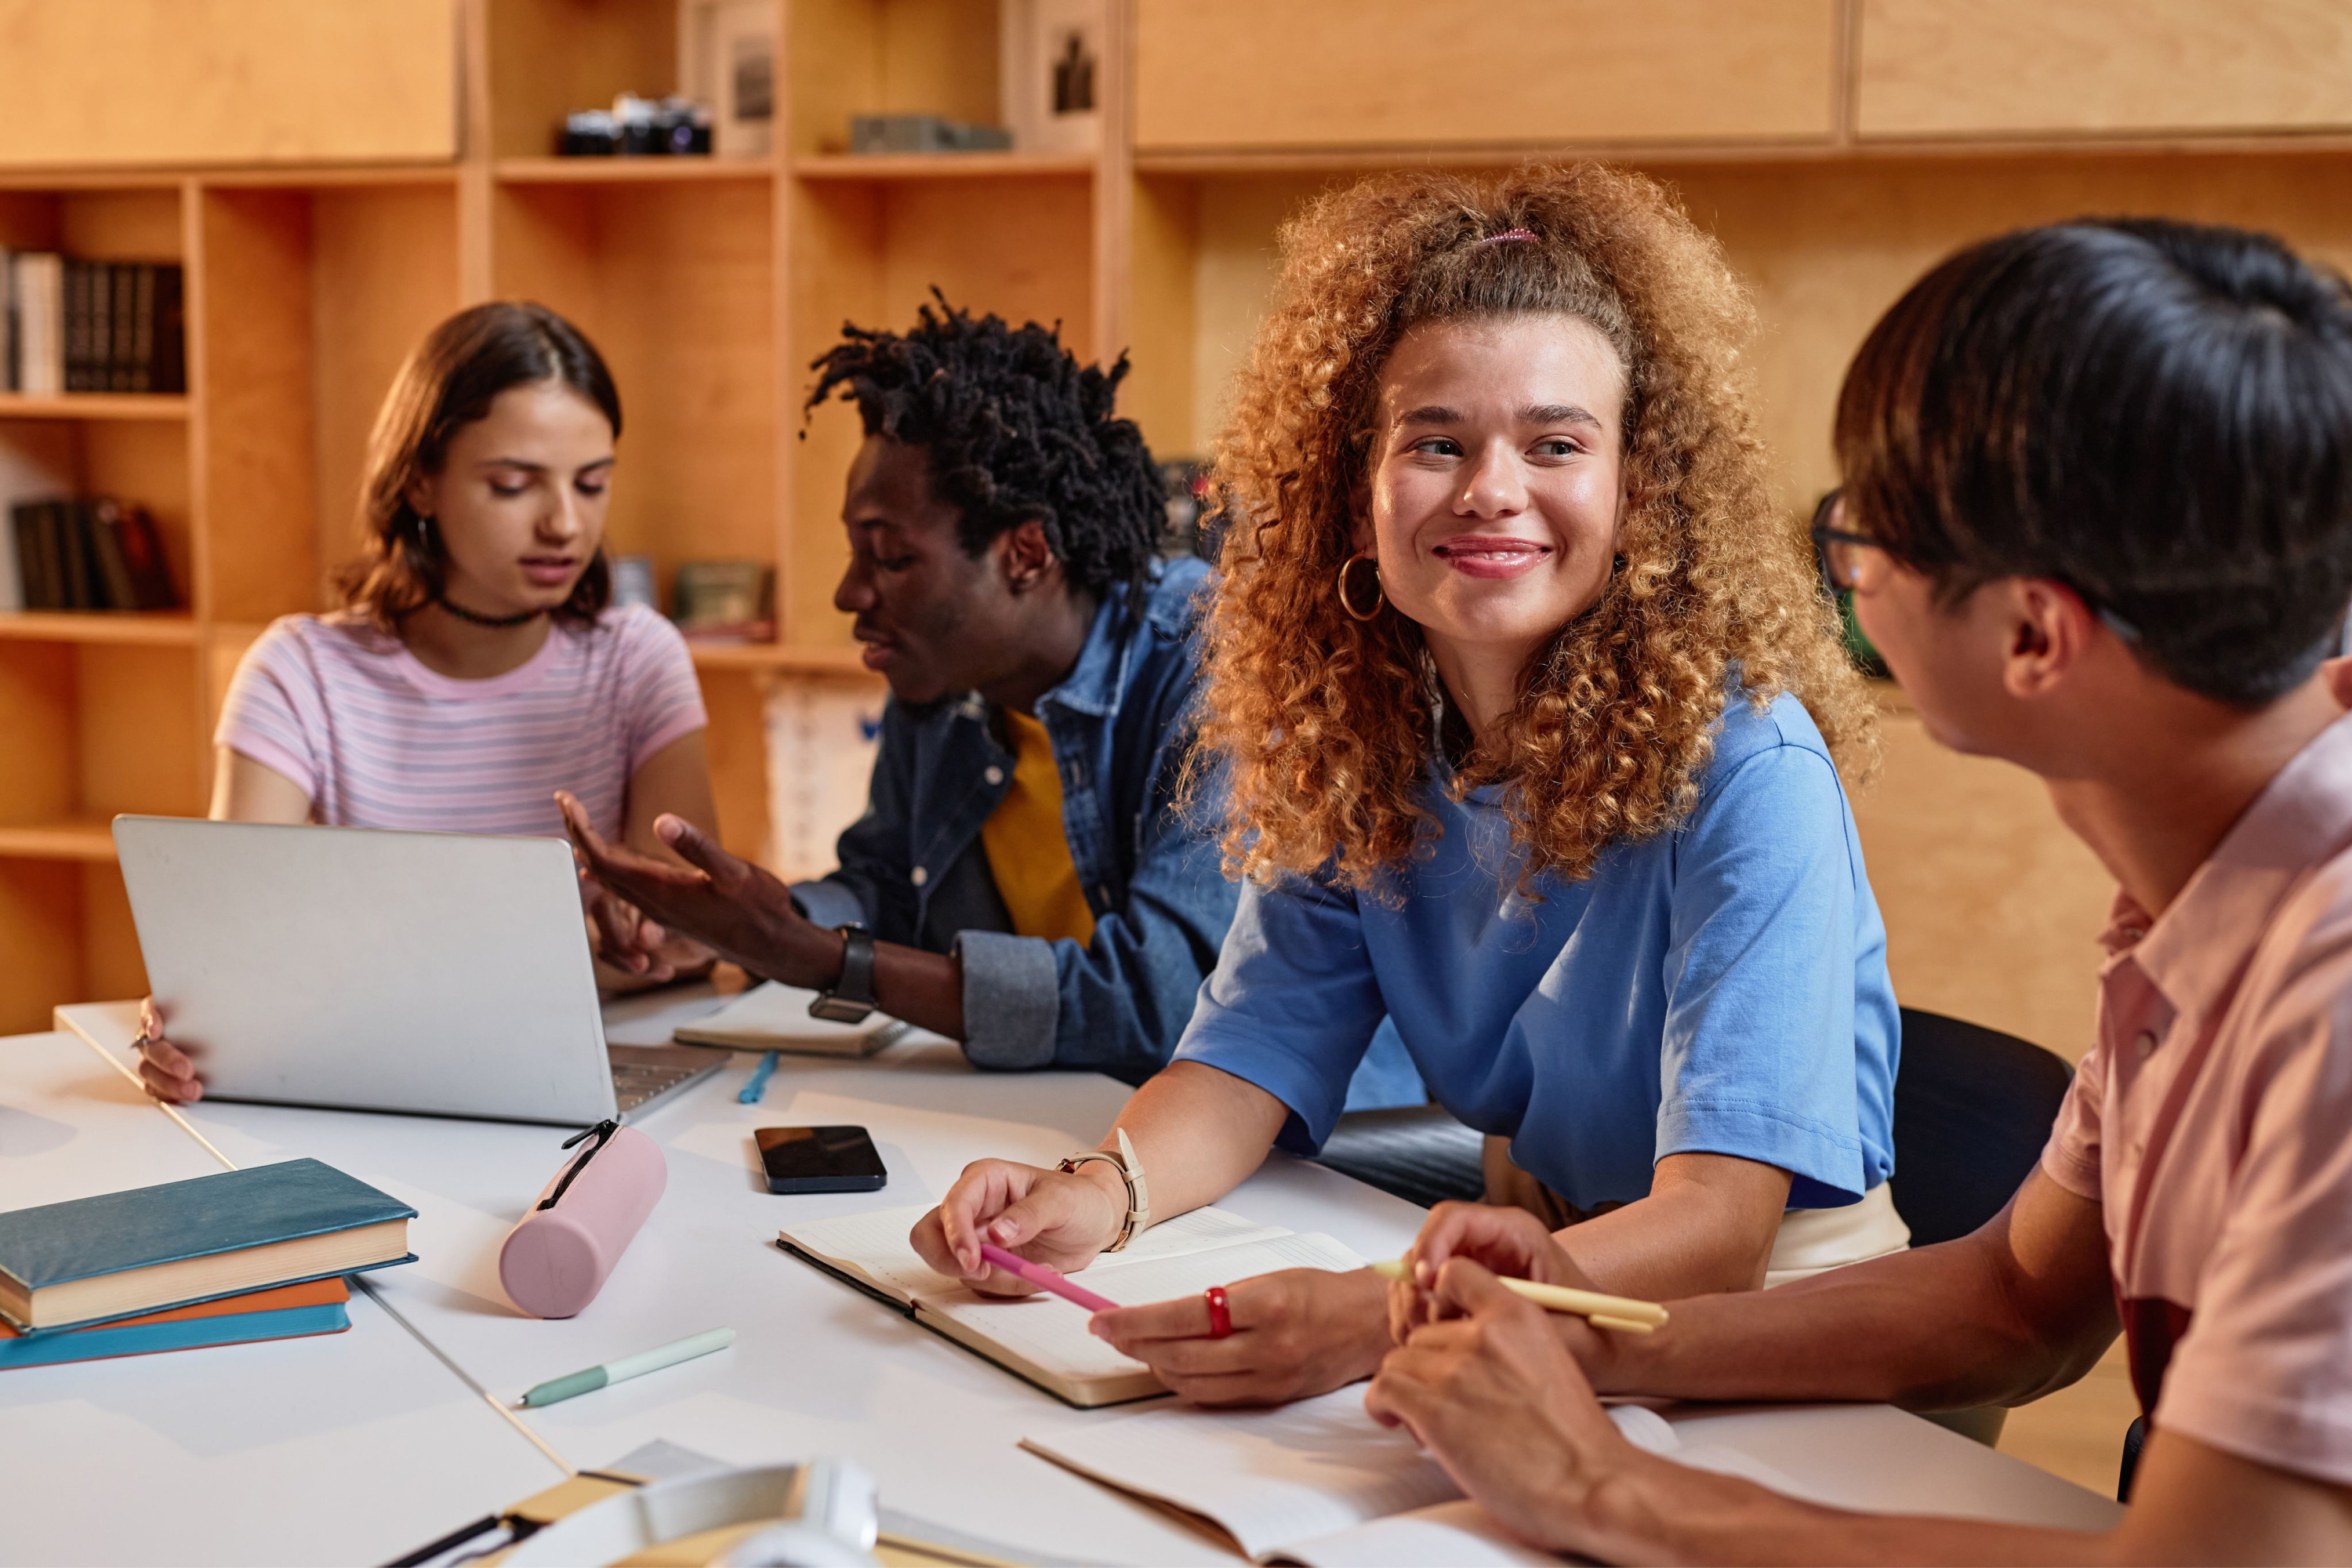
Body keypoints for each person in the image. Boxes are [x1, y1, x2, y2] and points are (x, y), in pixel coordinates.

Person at [1364, 218, 2352, 1563]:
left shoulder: (2328, 1001)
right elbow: (2016, 1300)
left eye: (1863, 534)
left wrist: (1607, 1491)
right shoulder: (2215, 887)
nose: (1847, 573)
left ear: (2031, 636)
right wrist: (1584, 1345)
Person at [908, 164, 1907, 1406]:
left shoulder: (1753, 771)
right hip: (1519, 1273)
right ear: (1355, 494)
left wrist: (1389, 1315)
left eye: (1555, 443)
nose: (1493, 488)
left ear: (1637, 492)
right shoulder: (1366, 744)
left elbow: (1719, 1226)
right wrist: (1097, 1194)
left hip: (1771, 1324)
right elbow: (1250, 1058)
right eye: (1438, 441)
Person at [561, 299, 1419, 1102]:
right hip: (1079, 1115)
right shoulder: (943, 679)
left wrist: (828, 960)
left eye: (891, 558)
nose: (850, 593)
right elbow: (888, 889)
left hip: (1315, 1146)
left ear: (1025, 553)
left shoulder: (1219, 663)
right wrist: (748, 924)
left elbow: (1172, 1004)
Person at [136, 301, 717, 1102]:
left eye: (592, 484)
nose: (565, 523)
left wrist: (663, 938)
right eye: (513, 484)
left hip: (591, 1081)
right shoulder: (300, 672)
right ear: (419, 480)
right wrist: (197, 1015)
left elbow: (696, 938)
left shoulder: (637, 657)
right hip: (366, 1087)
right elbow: (237, 961)